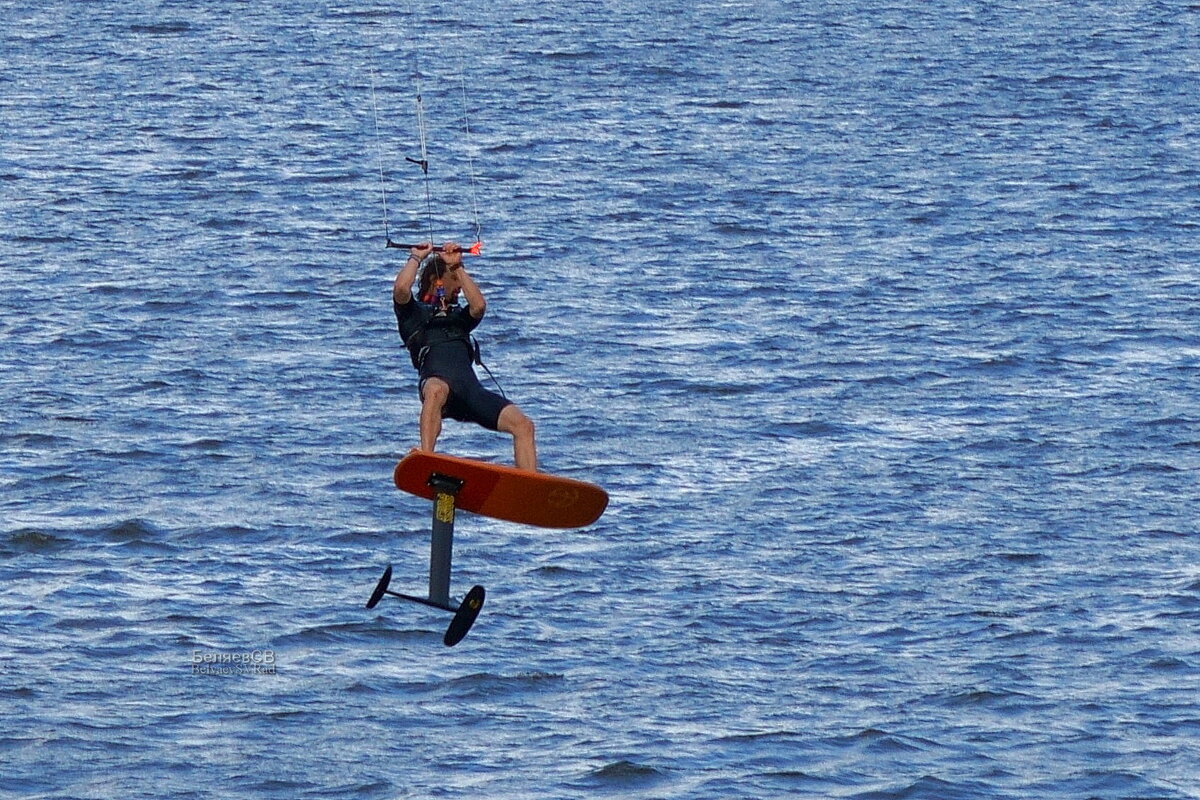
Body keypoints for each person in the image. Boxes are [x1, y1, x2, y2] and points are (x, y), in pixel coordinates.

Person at [392, 241, 538, 471]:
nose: (460, 286)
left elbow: (478, 306)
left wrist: (457, 267)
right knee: (436, 390)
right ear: (436, 280)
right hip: (437, 386)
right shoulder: (413, 315)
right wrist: (416, 257)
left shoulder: (460, 318)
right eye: (454, 279)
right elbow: (401, 289)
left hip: (471, 393)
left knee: (524, 425)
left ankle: (529, 483)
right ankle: (427, 457)